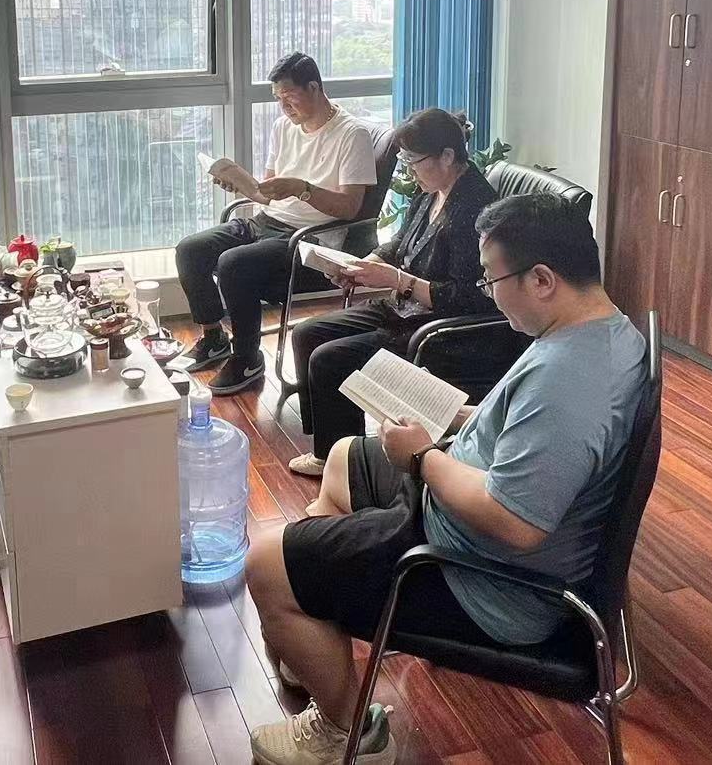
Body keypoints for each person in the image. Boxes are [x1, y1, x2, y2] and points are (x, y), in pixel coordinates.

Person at [242, 194, 647, 765]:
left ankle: (348, 731)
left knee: (264, 563)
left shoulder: (569, 384)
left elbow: (516, 523)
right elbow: (526, 431)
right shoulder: (600, 331)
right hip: (457, 512)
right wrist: (462, 417)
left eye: (491, 280)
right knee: (342, 461)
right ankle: (313, 623)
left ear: (542, 279)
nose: (488, 293)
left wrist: (422, 458)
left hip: (482, 580)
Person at [284, 108, 520, 479]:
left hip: (436, 325)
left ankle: (345, 463)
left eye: (413, 161)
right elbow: (400, 241)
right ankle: (328, 445)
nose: (408, 171)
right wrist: (360, 266)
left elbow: (466, 297)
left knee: (330, 358)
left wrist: (398, 281)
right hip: (404, 307)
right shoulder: (432, 192)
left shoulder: (475, 210)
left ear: (446, 156)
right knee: (307, 333)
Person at [175, 53, 378, 395]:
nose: (283, 107)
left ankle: (248, 358)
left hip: (312, 240)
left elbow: (350, 207)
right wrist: (240, 184)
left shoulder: (351, 134)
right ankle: (213, 337)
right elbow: (267, 193)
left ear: (314, 88)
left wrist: (303, 188)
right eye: (277, 98)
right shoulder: (284, 128)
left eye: (289, 97)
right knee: (191, 250)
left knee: (234, 263)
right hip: (267, 222)